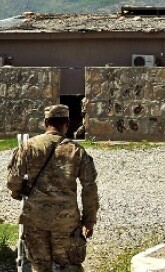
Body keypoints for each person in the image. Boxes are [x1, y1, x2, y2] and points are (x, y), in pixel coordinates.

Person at [6, 104, 98, 272]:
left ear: (45, 122)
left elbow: (13, 180)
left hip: (35, 219)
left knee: (40, 267)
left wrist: (19, 193)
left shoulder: (28, 147)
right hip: (66, 223)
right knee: (68, 266)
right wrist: (88, 221)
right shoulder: (77, 151)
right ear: (67, 124)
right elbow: (89, 188)